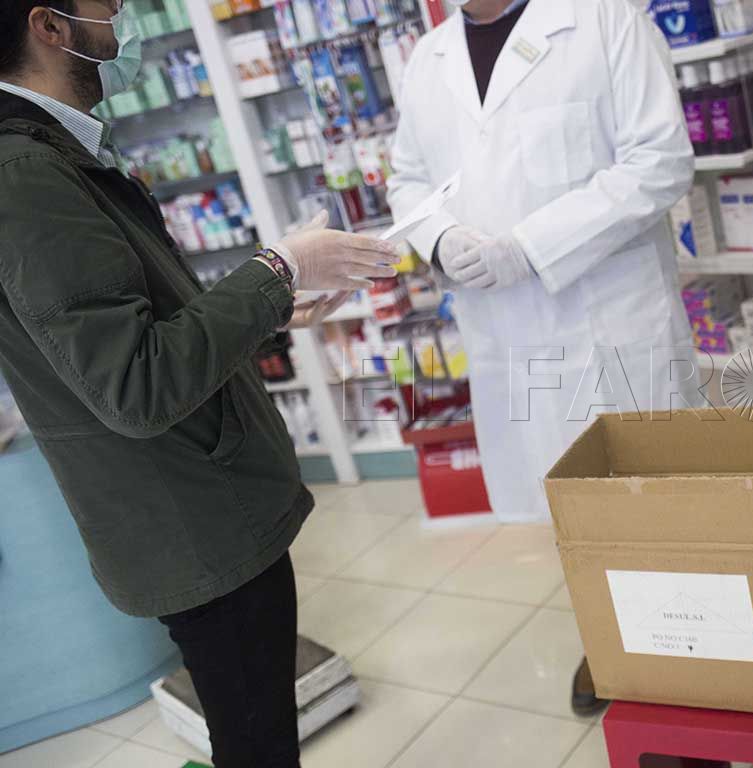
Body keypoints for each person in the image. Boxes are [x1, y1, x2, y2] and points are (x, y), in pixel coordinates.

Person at [0, 2, 399, 766]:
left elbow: (129, 329)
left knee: (257, 730)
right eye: (105, 8)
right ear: (50, 28)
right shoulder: (25, 173)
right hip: (187, 514)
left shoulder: (50, 152)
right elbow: (137, 384)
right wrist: (279, 269)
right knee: (256, 743)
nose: (120, 19)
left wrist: (269, 306)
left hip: (190, 500)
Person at [388, 0, 703, 716]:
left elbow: (659, 161)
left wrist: (531, 247)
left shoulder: (604, 21)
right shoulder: (429, 60)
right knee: (569, 506)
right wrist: (439, 238)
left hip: (608, 324)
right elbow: (406, 180)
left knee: (652, 501)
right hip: (508, 333)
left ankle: (690, 648)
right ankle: (612, 644)